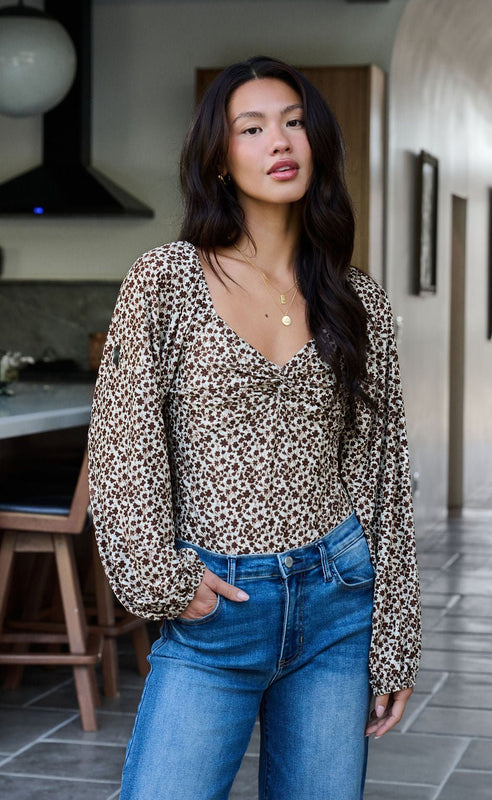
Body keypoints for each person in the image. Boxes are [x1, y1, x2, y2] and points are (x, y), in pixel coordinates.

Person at [88, 55, 421, 800]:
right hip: (216, 604)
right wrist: (164, 582)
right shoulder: (165, 279)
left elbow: (383, 475)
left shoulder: (356, 301)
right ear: (218, 159)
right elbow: (123, 450)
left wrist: (393, 636)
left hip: (337, 601)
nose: (280, 140)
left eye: (295, 122)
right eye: (252, 127)